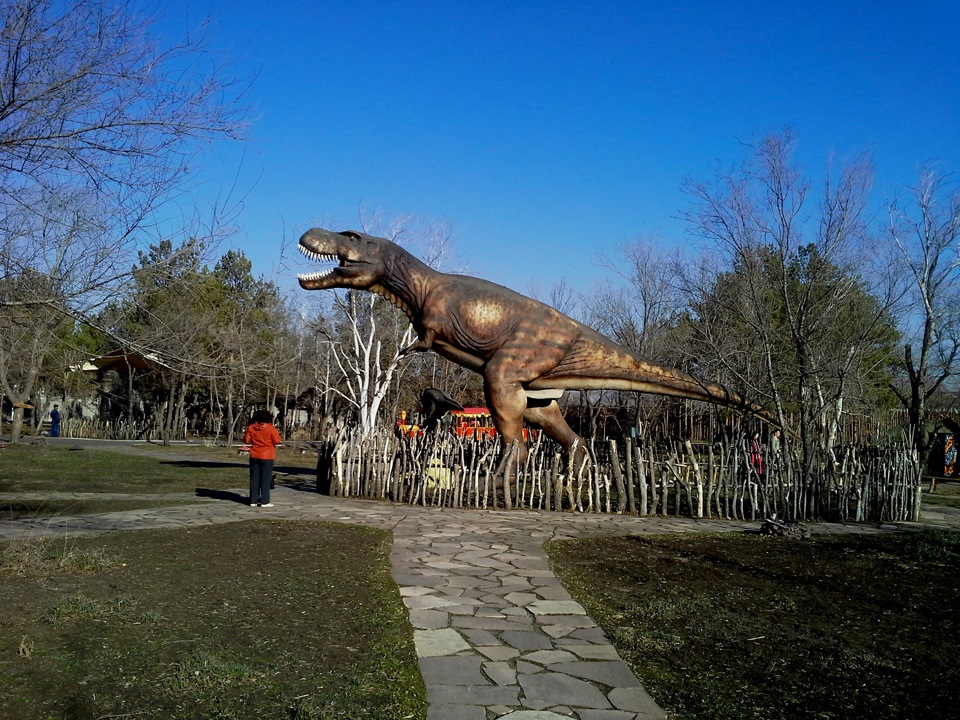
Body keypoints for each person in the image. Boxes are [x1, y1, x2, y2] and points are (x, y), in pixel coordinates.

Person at [243, 409, 282, 507]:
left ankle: (253, 500)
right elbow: (277, 440)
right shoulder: (270, 428)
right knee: (266, 478)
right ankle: (265, 501)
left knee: (254, 478)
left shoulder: (251, 427)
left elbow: (246, 440)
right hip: (267, 455)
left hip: (255, 454)